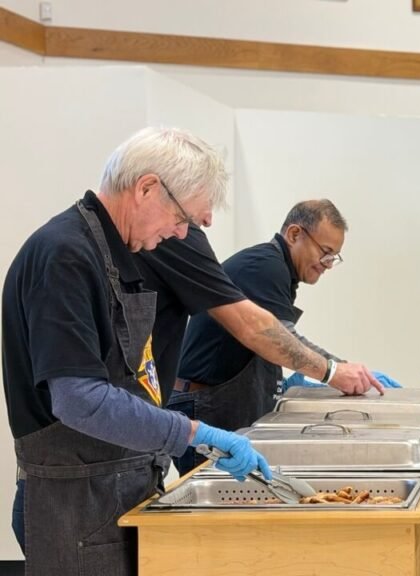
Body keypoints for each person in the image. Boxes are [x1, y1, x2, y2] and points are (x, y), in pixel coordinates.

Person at [1, 127, 270, 575]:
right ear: (147, 188)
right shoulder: (65, 254)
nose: (181, 234)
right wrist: (193, 432)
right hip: (74, 505)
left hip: (113, 489)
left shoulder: (112, 251)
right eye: (182, 219)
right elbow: (79, 399)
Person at [174, 199, 383, 473]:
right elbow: (281, 338)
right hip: (209, 406)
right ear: (295, 234)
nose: (328, 264)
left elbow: (279, 341)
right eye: (325, 252)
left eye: (334, 257)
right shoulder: (264, 266)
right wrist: (336, 370)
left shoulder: (278, 270)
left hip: (225, 401)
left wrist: (342, 371)